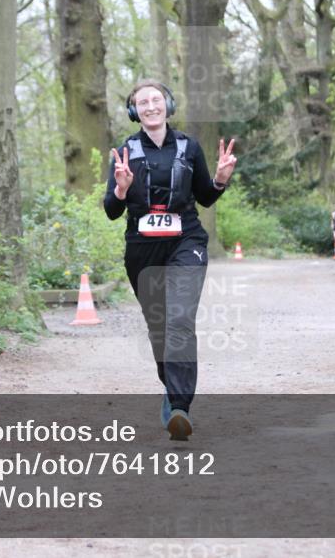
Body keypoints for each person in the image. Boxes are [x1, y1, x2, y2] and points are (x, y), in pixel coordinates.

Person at [104, 79, 237, 441]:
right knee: (159, 328)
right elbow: (111, 211)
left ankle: (180, 407)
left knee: (179, 319)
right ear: (134, 111)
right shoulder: (125, 152)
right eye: (142, 102)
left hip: (185, 241)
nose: (150, 106)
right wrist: (121, 189)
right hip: (142, 249)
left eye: (156, 100)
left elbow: (205, 197)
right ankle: (171, 388)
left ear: (168, 105)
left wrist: (220, 180)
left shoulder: (188, 147)